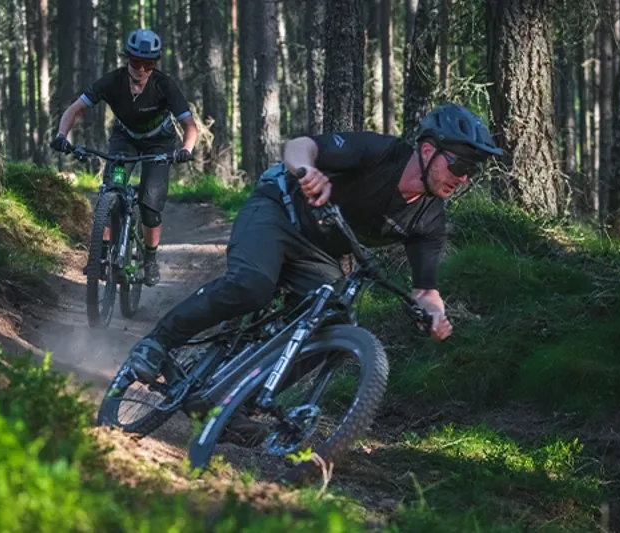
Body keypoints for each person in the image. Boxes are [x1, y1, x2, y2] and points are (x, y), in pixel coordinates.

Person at [129, 102, 503, 444]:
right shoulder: (382, 153)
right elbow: (299, 147)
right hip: (278, 210)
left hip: (319, 252)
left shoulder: (430, 218)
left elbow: (426, 289)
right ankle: (158, 342)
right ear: (427, 151)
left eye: (472, 172)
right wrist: (306, 171)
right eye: (459, 165)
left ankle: (235, 403)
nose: (464, 178)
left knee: (333, 320)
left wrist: (435, 314)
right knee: (252, 286)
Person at [51, 28, 198, 287]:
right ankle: (100, 254)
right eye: (136, 62)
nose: (141, 69)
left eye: (148, 63)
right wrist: (62, 135)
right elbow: (76, 109)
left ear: (155, 64)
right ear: (127, 59)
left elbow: (189, 125)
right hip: (125, 140)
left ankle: (150, 260)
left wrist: (186, 149)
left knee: (150, 204)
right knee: (112, 188)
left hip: (158, 144)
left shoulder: (164, 86)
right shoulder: (112, 82)